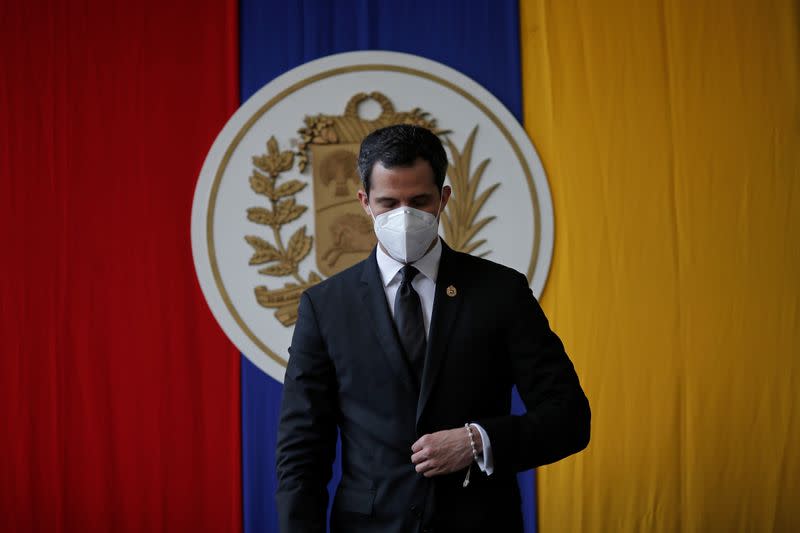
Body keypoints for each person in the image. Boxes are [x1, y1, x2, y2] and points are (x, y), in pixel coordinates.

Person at [276, 124, 590, 533]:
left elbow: (569, 418)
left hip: (479, 522)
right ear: (364, 202)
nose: (403, 216)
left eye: (419, 201)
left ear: (443, 198)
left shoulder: (501, 292)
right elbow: (302, 450)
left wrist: (478, 440)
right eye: (388, 202)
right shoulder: (325, 306)